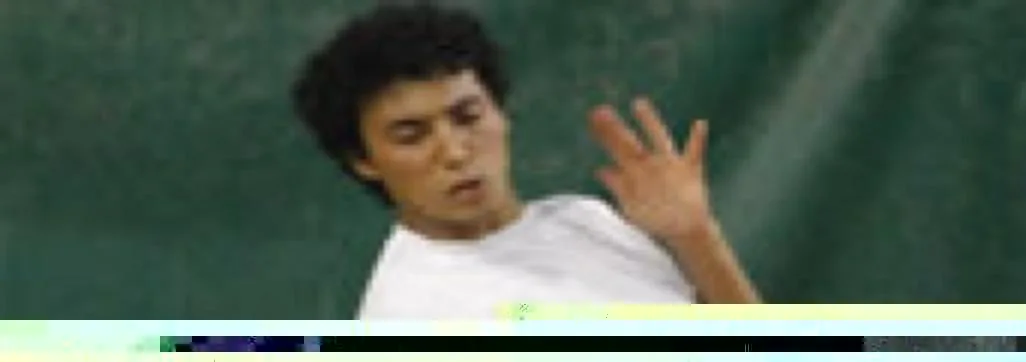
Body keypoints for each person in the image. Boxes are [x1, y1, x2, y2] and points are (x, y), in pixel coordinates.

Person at [291, 1, 761, 320]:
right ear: (364, 161)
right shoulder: (407, 317)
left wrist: (698, 239)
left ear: (501, 113)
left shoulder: (588, 219)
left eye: (467, 116)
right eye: (411, 135)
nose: (455, 151)